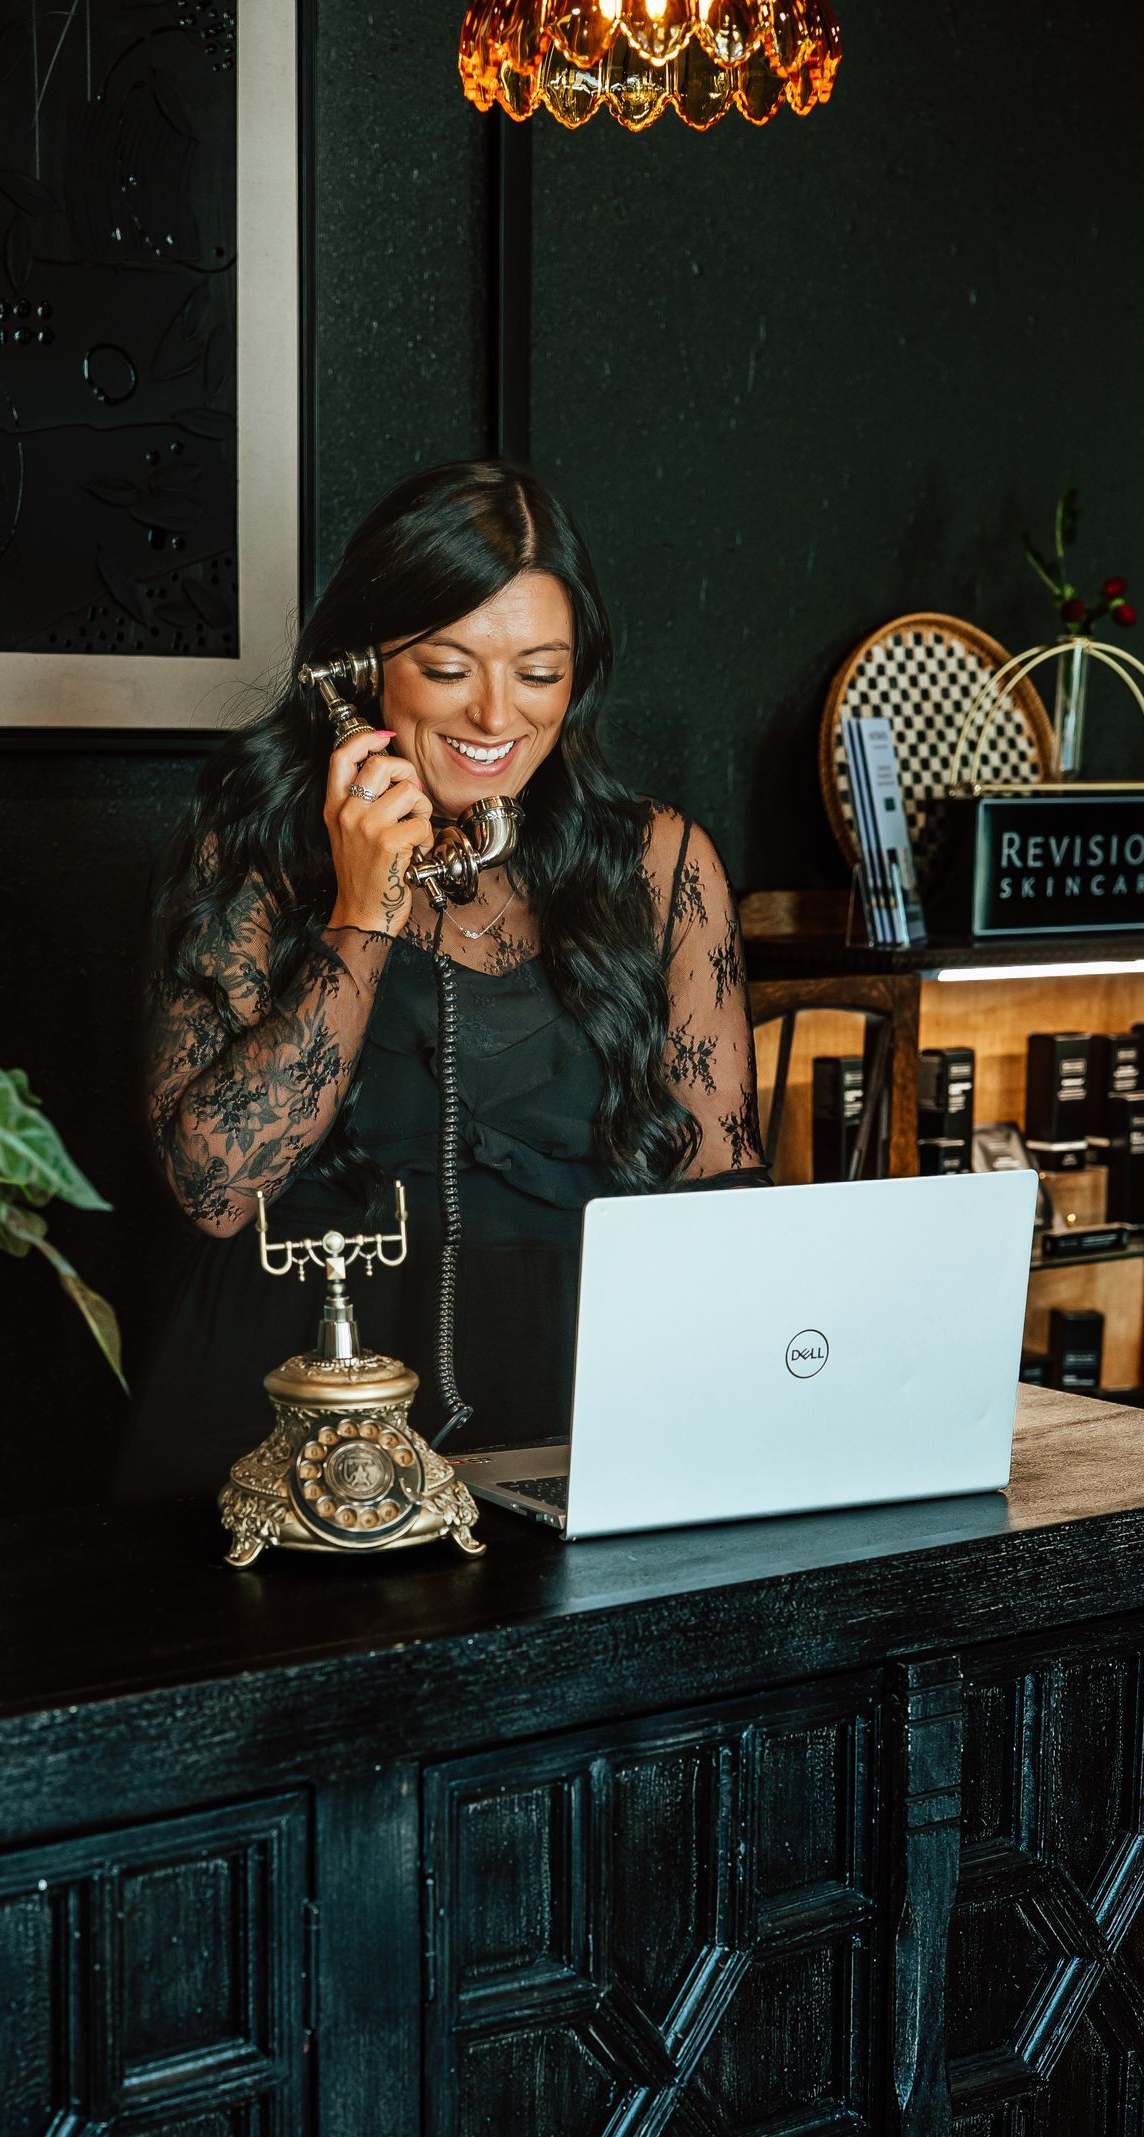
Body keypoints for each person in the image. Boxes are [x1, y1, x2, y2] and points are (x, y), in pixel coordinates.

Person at [124, 457, 768, 1501]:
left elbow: (726, 1215)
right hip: (293, 1441)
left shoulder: (658, 865)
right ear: (362, 667)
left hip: (575, 1429)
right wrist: (363, 912)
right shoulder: (249, 850)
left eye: (539, 673)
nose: (494, 716)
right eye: (450, 665)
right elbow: (213, 1191)